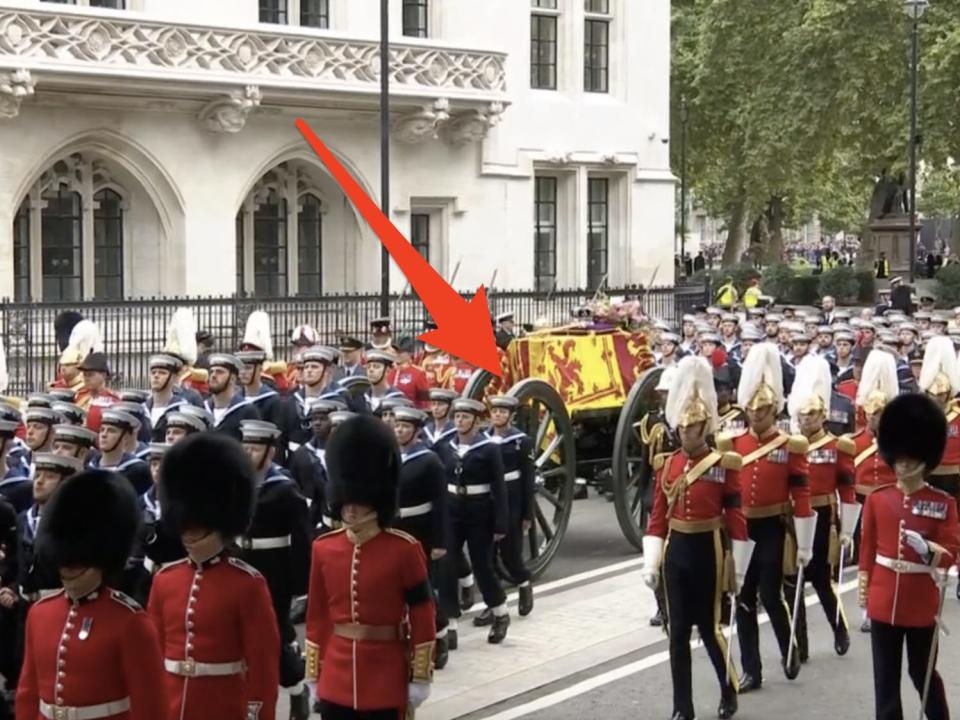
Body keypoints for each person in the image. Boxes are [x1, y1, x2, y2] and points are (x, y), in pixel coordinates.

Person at [304, 415, 436, 719]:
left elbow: (422, 613)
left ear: (376, 500)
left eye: (359, 501)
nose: (350, 507)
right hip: (336, 676)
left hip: (385, 676)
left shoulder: (404, 550)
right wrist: (314, 673)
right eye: (346, 500)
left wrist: (419, 675)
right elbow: (318, 615)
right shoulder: (324, 548)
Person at [643, 356, 749, 720]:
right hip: (676, 551)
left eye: (695, 427)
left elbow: (734, 514)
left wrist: (739, 563)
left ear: (705, 426)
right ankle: (681, 707)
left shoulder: (723, 463)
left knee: (708, 628)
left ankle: (728, 687)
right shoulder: (666, 464)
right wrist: (651, 560)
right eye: (684, 428)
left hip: (709, 550)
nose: (688, 433)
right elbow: (658, 516)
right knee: (676, 634)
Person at [148, 432, 280, 720]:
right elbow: (153, 653)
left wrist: (258, 712)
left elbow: (263, 661)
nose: (190, 534)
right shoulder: (165, 580)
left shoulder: (247, 584)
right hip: (170, 704)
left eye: (199, 526)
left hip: (221, 705)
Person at [16, 467, 166, 720]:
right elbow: (29, 693)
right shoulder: (41, 613)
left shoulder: (129, 621)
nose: (69, 569)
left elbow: (150, 705)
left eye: (78, 562)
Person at [719, 343, 812, 689]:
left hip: (773, 526)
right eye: (753, 410)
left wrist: (804, 542)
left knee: (771, 595)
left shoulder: (789, 445)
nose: (757, 416)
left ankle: (789, 648)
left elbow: (801, 493)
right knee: (742, 598)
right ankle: (751, 670)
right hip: (742, 529)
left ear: (774, 410)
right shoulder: (732, 444)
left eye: (764, 411)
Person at [862, 394, 959, 720]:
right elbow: (867, 551)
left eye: (909, 456)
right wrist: (866, 591)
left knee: (923, 674)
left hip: (920, 602)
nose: (902, 463)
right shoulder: (878, 499)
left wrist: (928, 550)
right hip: (883, 598)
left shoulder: (943, 503)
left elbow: (951, 554)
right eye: (898, 456)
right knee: (885, 682)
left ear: (924, 457)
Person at [237, 420, 312, 720]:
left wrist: (300, 583)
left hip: (274, 566)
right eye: (245, 446)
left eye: (254, 448)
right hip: (242, 562)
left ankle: (296, 688)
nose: (247, 453)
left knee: (275, 634)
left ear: (270, 451)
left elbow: (302, 538)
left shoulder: (283, 487)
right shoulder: (237, 482)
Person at [784, 355, 856, 662]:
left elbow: (847, 487)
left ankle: (838, 627)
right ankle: (799, 641)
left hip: (824, 515)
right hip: (794, 516)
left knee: (820, 579)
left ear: (823, 416)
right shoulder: (790, 446)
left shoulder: (837, 446)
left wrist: (848, 529)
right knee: (792, 582)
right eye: (802, 416)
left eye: (811, 416)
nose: (805, 421)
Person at [437, 399, 510, 644]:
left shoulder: (488, 449)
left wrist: (501, 523)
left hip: (480, 510)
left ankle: (500, 612)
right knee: (447, 565)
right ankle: (451, 622)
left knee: (482, 564)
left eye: (466, 417)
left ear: (477, 422)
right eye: (457, 417)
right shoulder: (446, 446)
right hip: (452, 509)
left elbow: (499, 488)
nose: (460, 421)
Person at [392, 407, 450, 668]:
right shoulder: (389, 458)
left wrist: (439, 541)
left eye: (406, 426)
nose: (400, 430)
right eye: (397, 425)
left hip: (421, 529)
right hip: (394, 528)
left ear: (416, 431)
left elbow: (441, 504)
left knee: (421, 584)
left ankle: (440, 632)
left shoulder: (429, 461)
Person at [481, 396, 536, 619]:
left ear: (511, 416)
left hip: (512, 498)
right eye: (495, 411)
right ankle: (494, 602)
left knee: (510, 553)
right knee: (487, 556)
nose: (498, 415)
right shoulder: (483, 439)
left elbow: (528, 480)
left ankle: (523, 582)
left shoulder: (521, 441)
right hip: (488, 499)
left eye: (503, 412)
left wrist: (527, 513)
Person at [91, 409, 152, 496]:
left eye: (111, 431)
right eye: (102, 430)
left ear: (125, 437)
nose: (104, 435)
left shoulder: (138, 472)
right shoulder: (89, 467)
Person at [203, 353, 261, 440]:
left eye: (220, 372)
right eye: (211, 372)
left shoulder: (247, 411)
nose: (213, 376)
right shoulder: (203, 409)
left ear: (232, 379)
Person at [75, 352, 120, 435]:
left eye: (90, 375)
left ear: (103, 375)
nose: (86, 378)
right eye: (85, 375)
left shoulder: (112, 400)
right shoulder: (80, 396)